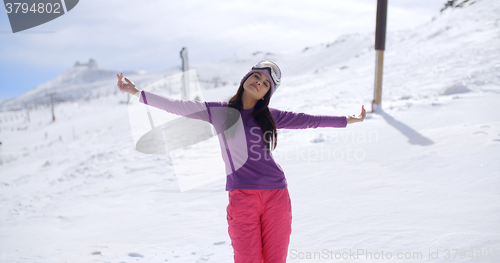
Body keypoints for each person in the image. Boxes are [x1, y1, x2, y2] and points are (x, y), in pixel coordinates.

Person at [117, 60, 365, 263]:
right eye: (257, 76)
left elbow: (308, 120)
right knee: (247, 259)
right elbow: (179, 106)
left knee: (275, 260)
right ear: (246, 78)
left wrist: (346, 119)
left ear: (268, 93)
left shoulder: (269, 116)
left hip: (276, 195)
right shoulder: (221, 112)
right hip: (242, 198)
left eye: (266, 83)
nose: (260, 82)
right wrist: (137, 92)